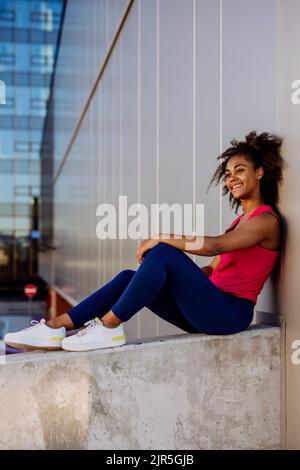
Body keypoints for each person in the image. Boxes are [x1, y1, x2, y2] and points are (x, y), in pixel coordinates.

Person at [4, 130, 285, 353]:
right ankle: (55, 328)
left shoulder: (266, 221)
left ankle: (109, 326)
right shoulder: (240, 222)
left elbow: (216, 246)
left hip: (228, 314)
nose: (231, 179)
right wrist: (167, 279)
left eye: (240, 170)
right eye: (227, 174)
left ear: (259, 172)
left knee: (163, 252)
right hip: (206, 307)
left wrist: (161, 239)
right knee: (131, 276)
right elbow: (210, 270)